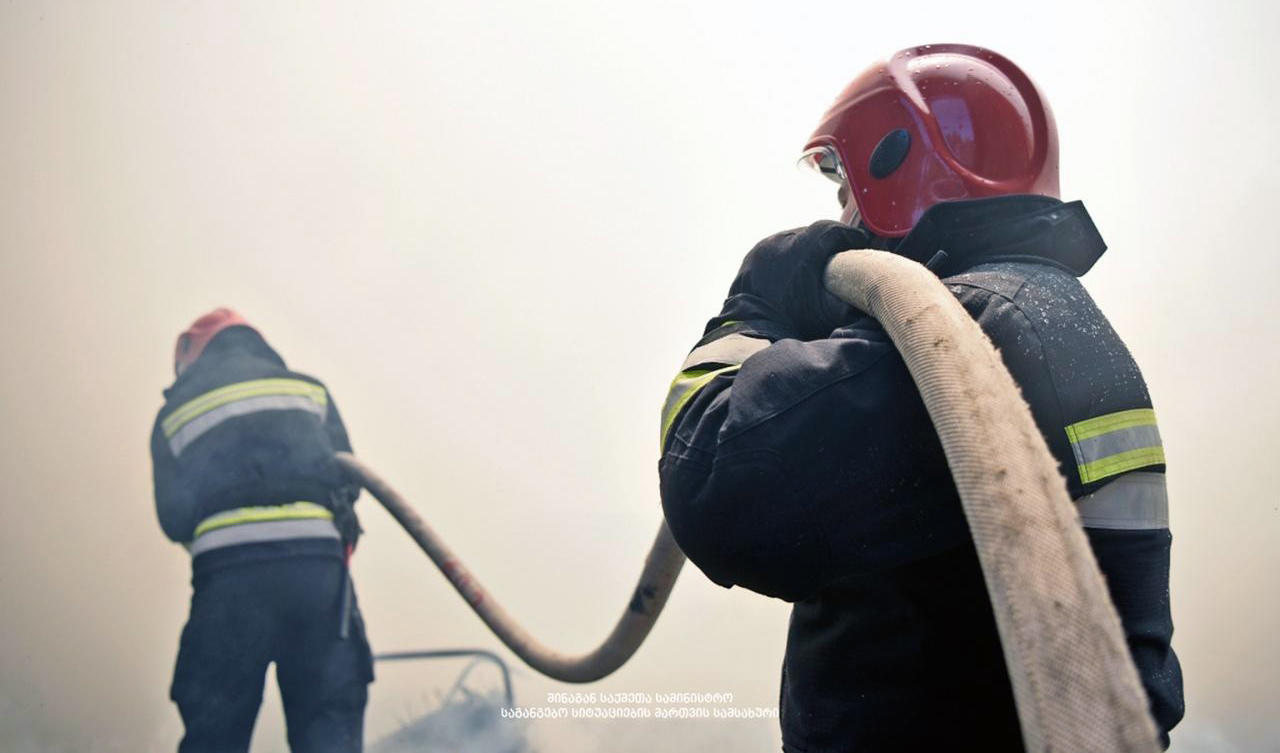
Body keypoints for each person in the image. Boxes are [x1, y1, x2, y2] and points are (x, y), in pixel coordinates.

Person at [658, 44, 1184, 751]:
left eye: (845, 188)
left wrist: (754, 306)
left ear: (895, 171)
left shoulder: (952, 335)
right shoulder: (1048, 316)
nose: (843, 213)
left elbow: (715, 488)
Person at [150, 308, 373, 753]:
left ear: (192, 354)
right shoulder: (308, 390)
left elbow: (174, 518)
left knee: (216, 729)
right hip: (317, 576)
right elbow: (350, 480)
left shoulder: (173, 415)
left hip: (230, 582)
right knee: (328, 724)